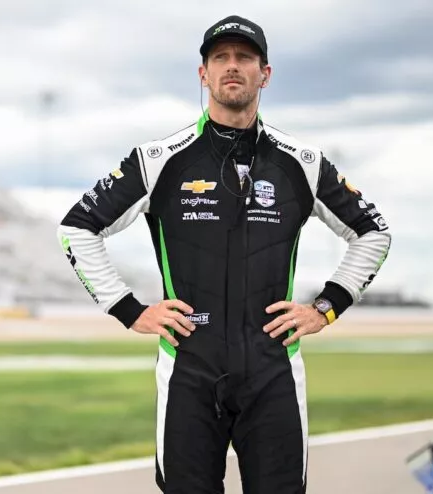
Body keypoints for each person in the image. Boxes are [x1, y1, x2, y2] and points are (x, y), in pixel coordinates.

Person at [57, 14, 392, 493]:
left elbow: (373, 233)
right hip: (188, 369)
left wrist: (325, 307)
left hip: (274, 370)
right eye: (220, 58)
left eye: (245, 57)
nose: (232, 66)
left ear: (265, 74)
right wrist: (129, 310)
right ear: (204, 74)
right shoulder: (158, 160)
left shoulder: (303, 163)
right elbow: (77, 228)